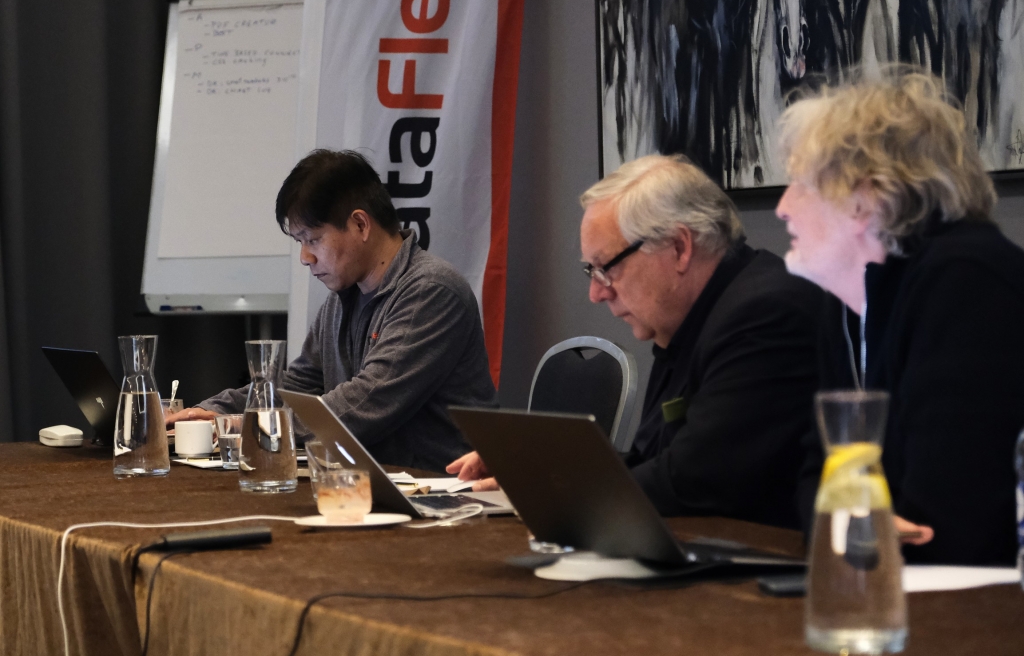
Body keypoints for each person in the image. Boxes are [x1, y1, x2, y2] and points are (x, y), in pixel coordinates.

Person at [450, 154, 824, 529]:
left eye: (606, 268)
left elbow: (693, 480)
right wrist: (538, 469)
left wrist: (552, 486)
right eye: (591, 271)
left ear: (679, 247)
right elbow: (655, 460)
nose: (597, 293)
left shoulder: (765, 315)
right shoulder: (690, 319)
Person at [775, 71, 1024, 565]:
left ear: (864, 198)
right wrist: (849, 523)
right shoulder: (847, 301)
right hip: (894, 586)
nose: (782, 208)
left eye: (801, 185)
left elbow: (948, 527)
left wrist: (849, 526)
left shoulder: (966, 282)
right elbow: (815, 478)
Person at [168, 149, 496, 472]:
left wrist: (246, 427)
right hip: (367, 487)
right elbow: (296, 388)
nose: (305, 258)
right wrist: (207, 413)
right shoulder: (342, 299)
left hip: (440, 490)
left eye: (312, 239)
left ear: (360, 224)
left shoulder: (431, 291)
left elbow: (365, 404)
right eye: (300, 242)